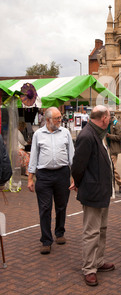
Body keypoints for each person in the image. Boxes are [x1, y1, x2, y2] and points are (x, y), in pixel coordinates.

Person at [71, 105, 115, 287]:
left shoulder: (99, 134)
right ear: (104, 118)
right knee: (91, 231)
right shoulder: (87, 136)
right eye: (110, 117)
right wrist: (79, 183)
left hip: (102, 191)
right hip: (93, 192)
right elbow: (78, 166)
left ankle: (98, 261)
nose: (111, 119)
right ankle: (89, 268)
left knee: (102, 229)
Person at [27, 107, 74, 255]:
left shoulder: (65, 132)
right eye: (57, 118)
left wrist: (75, 177)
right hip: (44, 176)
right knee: (45, 208)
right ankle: (46, 241)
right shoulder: (38, 134)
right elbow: (33, 156)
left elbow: (72, 156)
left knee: (61, 206)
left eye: (60, 117)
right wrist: (30, 178)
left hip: (62, 174)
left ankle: (59, 233)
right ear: (47, 120)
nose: (60, 120)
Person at [106, 111, 121, 193]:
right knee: (109, 168)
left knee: (112, 168)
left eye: (108, 117)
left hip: (113, 149)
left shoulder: (117, 124)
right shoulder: (107, 124)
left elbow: (120, 137)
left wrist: (110, 136)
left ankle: (120, 183)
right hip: (107, 148)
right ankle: (111, 186)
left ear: (112, 117)